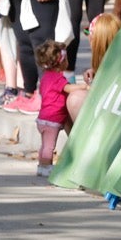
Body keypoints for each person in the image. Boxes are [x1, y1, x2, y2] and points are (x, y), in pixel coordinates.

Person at [65, 12, 121, 124]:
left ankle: (80, 140)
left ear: (98, 40)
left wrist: (87, 86)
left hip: (113, 115)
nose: (87, 36)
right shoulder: (115, 57)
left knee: (74, 99)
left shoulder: (118, 63)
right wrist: (95, 71)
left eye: (88, 32)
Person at [33, 40, 78, 178]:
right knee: (49, 146)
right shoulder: (58, 78)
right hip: (52, 119)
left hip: (43, 118)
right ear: (60, 61)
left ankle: (41, 166)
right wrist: (83, 87)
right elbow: (68, 88)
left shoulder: (46, 77)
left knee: (44, 144)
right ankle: (46, 166)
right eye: (66, 59)